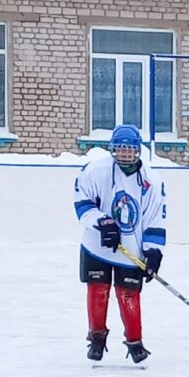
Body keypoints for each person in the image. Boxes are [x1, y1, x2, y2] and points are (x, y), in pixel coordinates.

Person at [72, 124, 165, 364]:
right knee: (98, 291)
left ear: (137, 151)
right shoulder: (95, 170)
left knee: (129, 294)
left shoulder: (152, 181)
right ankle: (97, 339)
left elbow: (154, 218)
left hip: (130, 250)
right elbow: (82, 203)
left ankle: (135, 342)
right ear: (113, 149)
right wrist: (101, 222)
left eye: (129, 149)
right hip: (97, 246)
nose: (124, 154)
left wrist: (153, 252)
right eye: (120, 149)